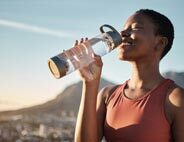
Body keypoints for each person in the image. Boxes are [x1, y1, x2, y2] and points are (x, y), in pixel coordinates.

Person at [74, 9, 184, 142]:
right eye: (124, 28)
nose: (122, 33)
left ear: (160, 43)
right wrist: (90, 83)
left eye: (135, 27)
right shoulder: (107, 95)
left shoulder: (175, 98)